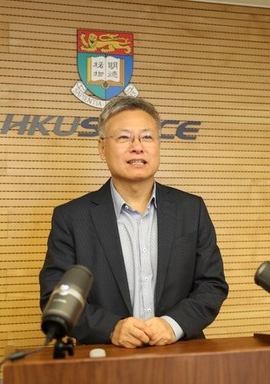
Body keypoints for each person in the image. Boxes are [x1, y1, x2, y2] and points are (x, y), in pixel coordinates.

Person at [39, 96, 228, 348]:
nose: (137, 147)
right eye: (124, 137)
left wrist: (173, 325)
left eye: (147, 137)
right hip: (105, 357)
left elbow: (212, 285)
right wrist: (111, 328)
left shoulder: (191, 210)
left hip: (180, 354)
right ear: (101, 148)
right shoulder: (71, 218)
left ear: (158, 145)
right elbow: (55, 297)